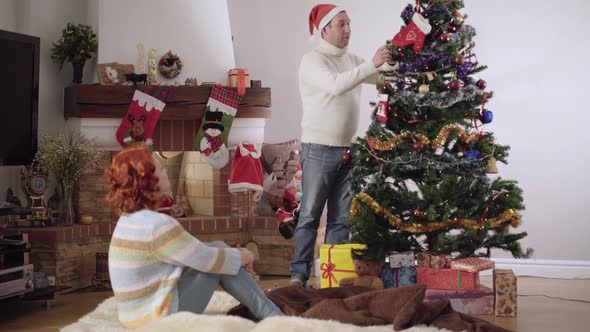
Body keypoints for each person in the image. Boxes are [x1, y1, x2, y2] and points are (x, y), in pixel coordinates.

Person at [105, 144, 281, 329]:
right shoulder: (157, 225)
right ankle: (272, 314)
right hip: (157, 320)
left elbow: (192, 251)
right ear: (150, 180)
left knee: (218, 247)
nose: (166, 173)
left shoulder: (129, 219)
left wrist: (231, 253)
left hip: (134, 316)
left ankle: (265, 309)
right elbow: (207, 260)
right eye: (162, 169)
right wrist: (244, 255)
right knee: (218, 258)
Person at [290, 4, 393, 287]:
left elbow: (382, 78)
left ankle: (330, 278)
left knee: (342, 220)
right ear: (325, 30)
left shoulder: (353, 60)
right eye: (341, 24)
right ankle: (298, 276)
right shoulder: (312, 60)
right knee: (310, 216)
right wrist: (372, 64)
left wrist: (392, 61)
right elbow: (336, 85)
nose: (347, 30)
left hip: (350, 149)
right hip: (319, 150)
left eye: (349, 24)